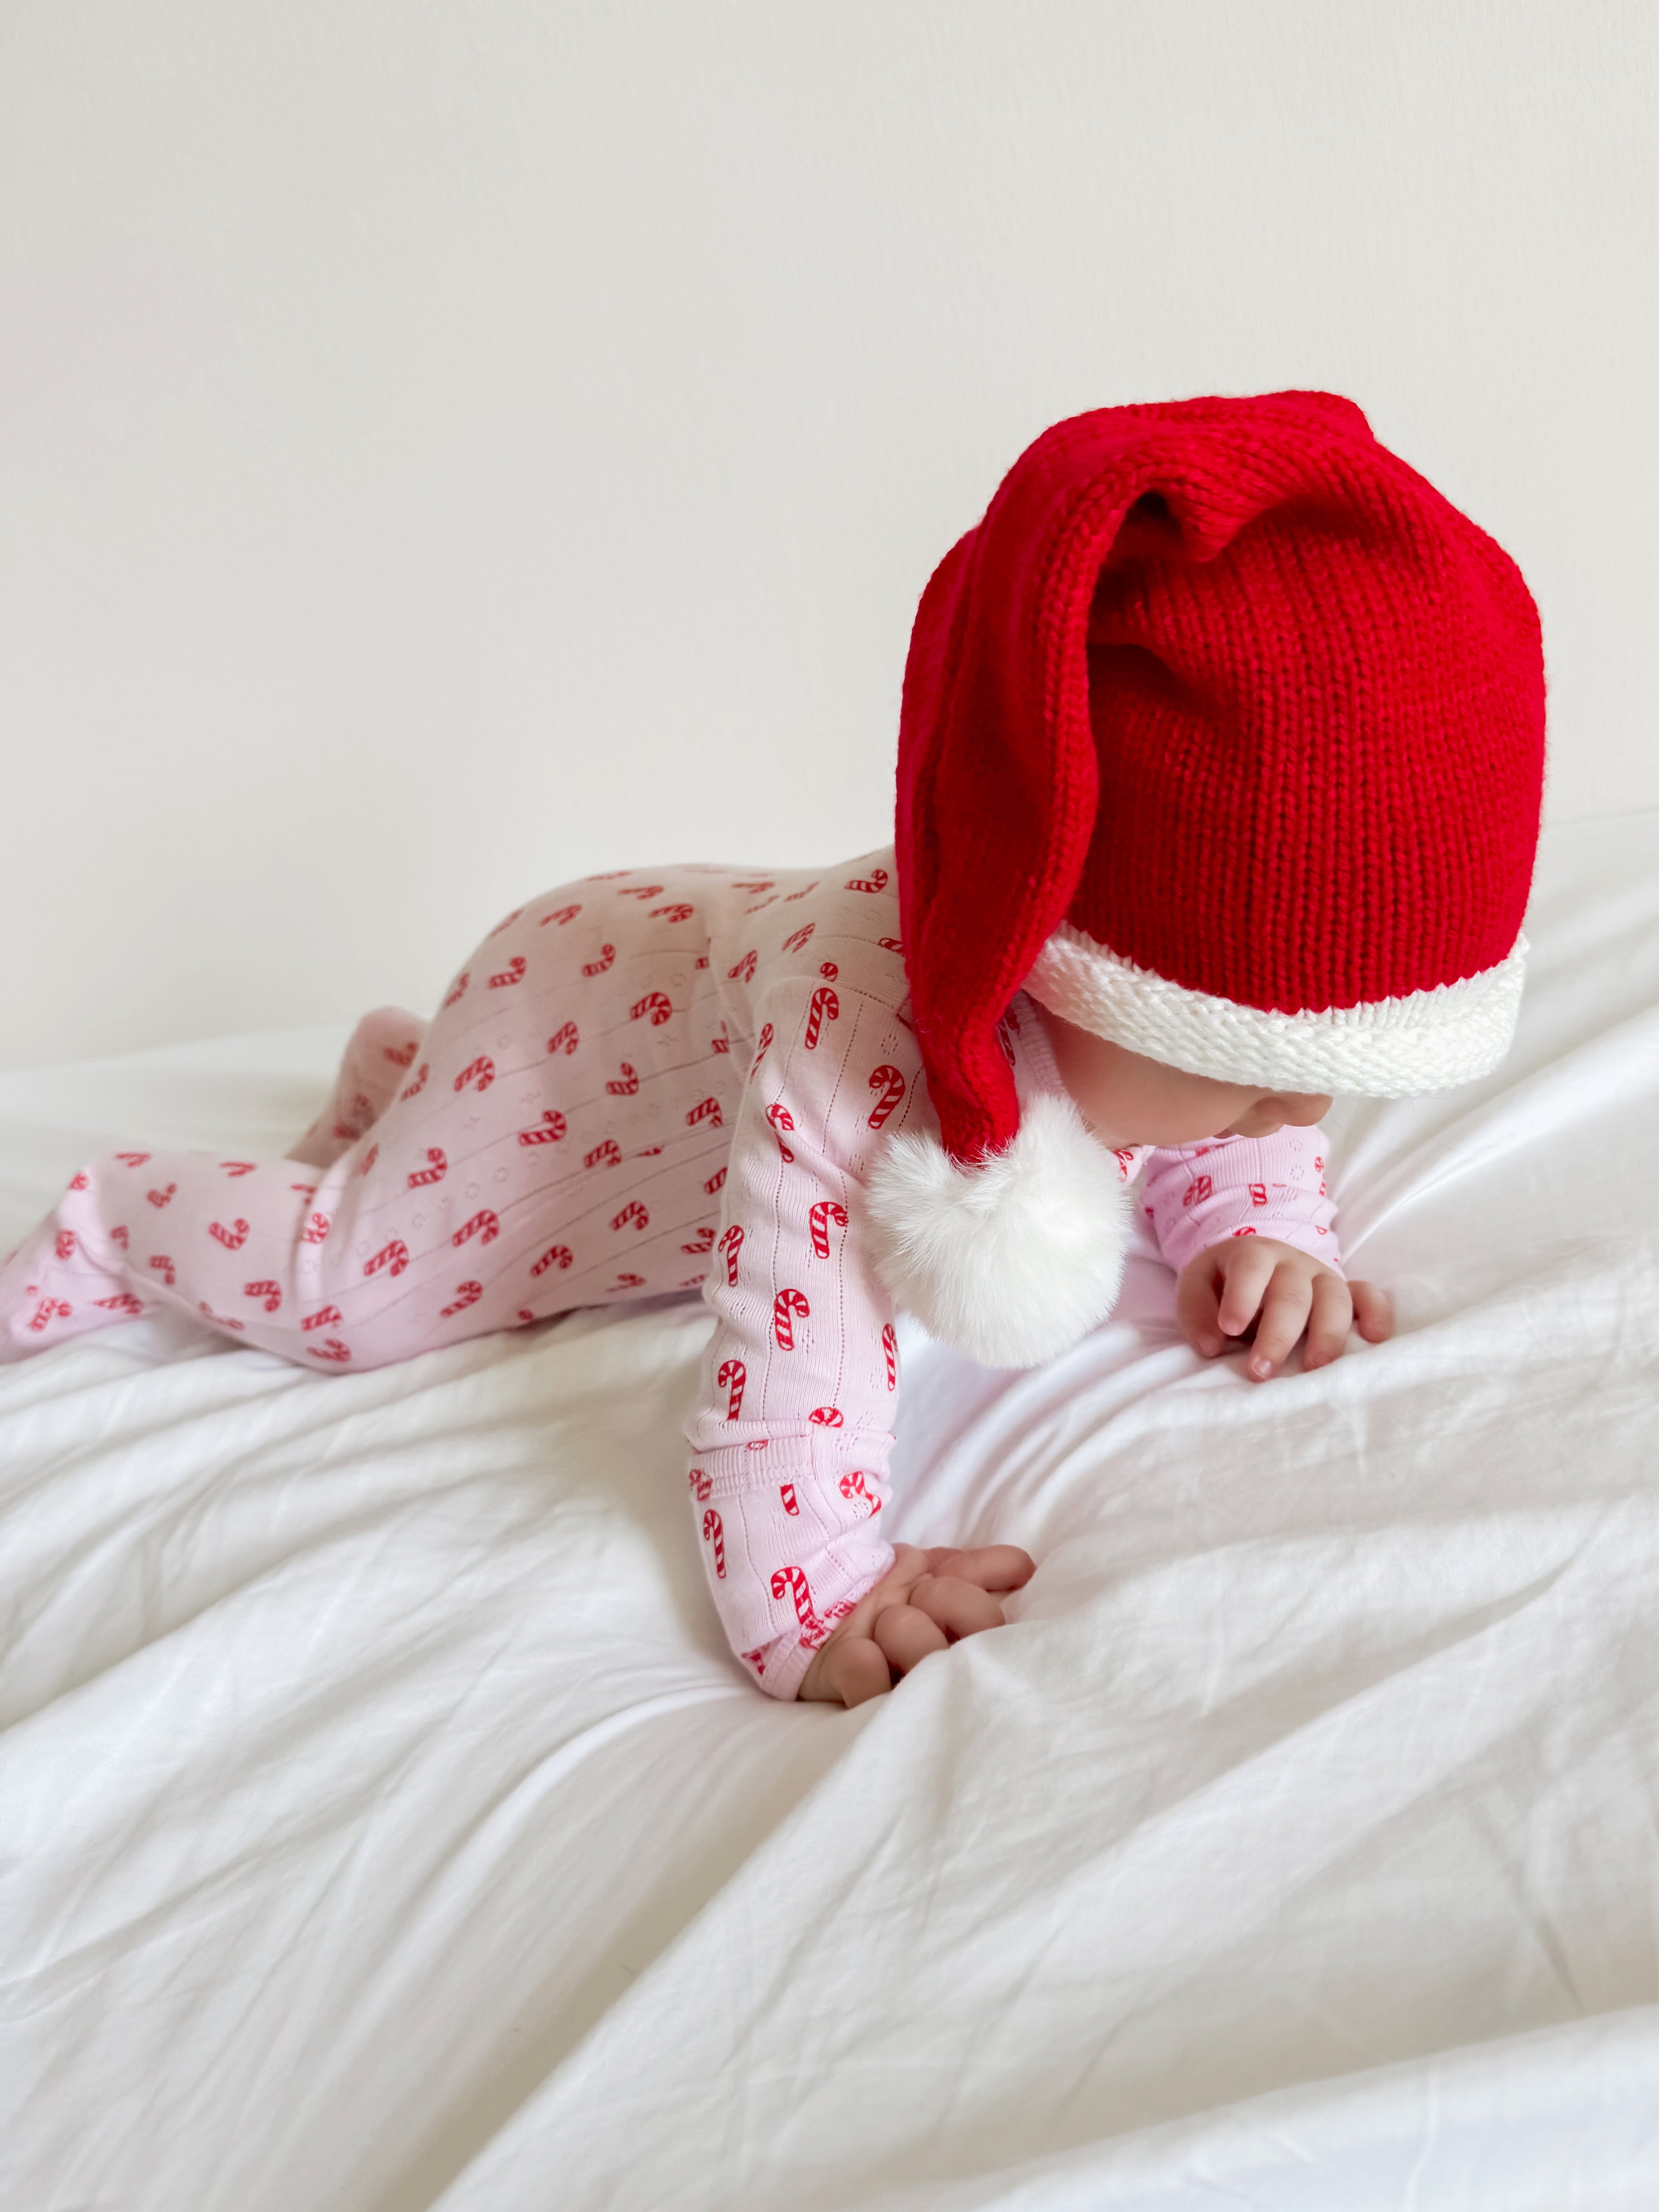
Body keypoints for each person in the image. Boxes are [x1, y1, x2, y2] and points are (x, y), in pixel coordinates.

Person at [0, 390, 1546, 1707]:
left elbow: (1203, 1111)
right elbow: (791, 1352)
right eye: (1248, 1057)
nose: (1297, 1107)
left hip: (649, 968)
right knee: (354, 1295)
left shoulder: (1160, 1037)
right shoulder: (861, 1047)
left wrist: (1257, 1231)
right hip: (559, 1038)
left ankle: (393, 1079)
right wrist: (815, 1596)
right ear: (1074, 964)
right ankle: (119, 1216)